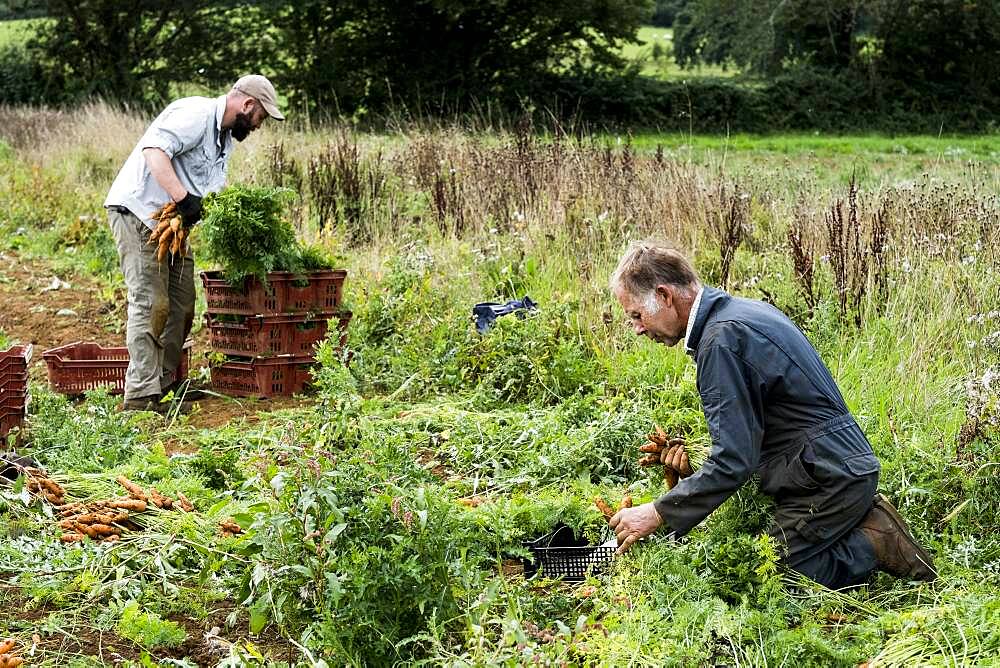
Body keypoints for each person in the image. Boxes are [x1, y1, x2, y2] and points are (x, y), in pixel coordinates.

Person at [607, 241, 935, 589]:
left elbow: (735, 459)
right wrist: (693, 469)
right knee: (768, 558)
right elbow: (755, 430)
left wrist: (657, 512)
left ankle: (874, 539)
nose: (638, 329)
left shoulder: (720, 342)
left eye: (637, 316)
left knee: (771, 576)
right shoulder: (741, 314)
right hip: (835, 465)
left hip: (827, 478)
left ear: (664, 295)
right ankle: (852, 523)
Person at [104, 75, 284, 411]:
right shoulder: (195, 113)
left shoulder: (225, 140)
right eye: (261, 116)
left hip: (173, 226)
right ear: (247, 105)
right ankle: (141, 397)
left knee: (183, 305)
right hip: (139, 214)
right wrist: (183, 198)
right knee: (152, 304)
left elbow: (211, 190)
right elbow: (154, 151)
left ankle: (167, 384)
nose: (260, 125)